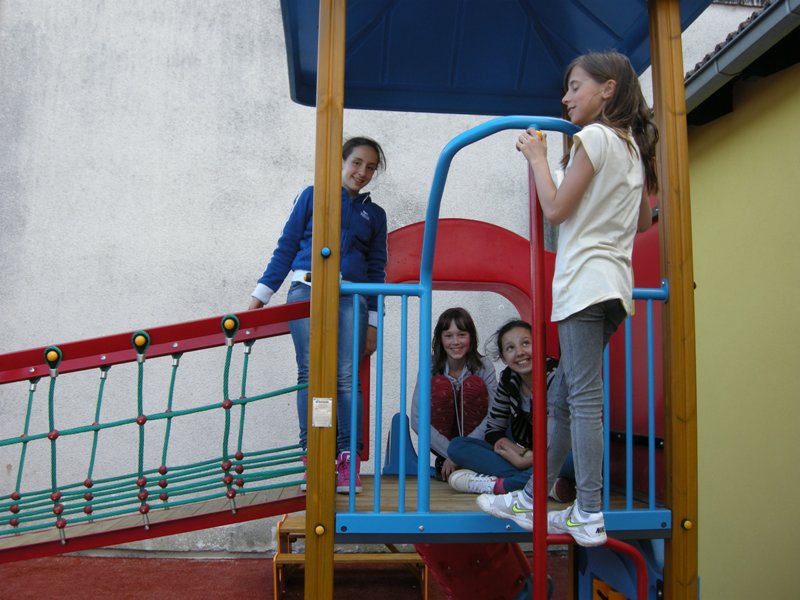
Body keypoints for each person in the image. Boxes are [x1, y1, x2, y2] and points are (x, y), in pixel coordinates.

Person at [477, 51, 658, 545]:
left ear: (608, 89)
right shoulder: (630, 147)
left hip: (585, 285)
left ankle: (589, 510)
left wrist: (539, 159)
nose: (566, 97)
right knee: (560, 397)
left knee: (581, 399)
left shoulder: (595, 137)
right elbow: (643, 220)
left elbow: (555, 209)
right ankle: (533, 497)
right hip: (614, 287)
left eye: (576, 86)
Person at [248, 136, 388, 494]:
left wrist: (373, 323)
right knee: (310, 374)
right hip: (307, 289)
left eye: (371, 167)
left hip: (351, 296)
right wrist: (259, 299)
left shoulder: (375, 215)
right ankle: (313, 456)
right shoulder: (313, 196)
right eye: (357, 163)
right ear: (340, 162)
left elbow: (376, 270)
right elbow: (286, 247)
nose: (363, 172)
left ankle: (346, 458)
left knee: (345, 377)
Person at [445, 320, 543, 495]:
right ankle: (547, 483)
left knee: (576, 458)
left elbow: (562, 440)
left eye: (526, 343)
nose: (520, 352)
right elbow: (494, 430)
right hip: (527, 455)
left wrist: (526, 461)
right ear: (504, 357)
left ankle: (502, 485)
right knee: (457, 447)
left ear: (539, 345)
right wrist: (520, 452)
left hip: (560, 454)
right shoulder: (509, 379)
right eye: (510, 348)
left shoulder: (554, 375)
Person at [410, 307, 497, 482]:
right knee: (440, 386)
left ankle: (470, 460)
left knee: (473, 385)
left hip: (475, 442)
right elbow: (418, 418)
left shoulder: (484, 365)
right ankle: (450, 461)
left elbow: (494, 413)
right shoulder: (430, 366)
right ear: (440, 339)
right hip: (444, 446)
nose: (455, 341)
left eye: (462, 335)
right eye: (448, 336)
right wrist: (452, 453)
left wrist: (463, 452)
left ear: (471, 337)